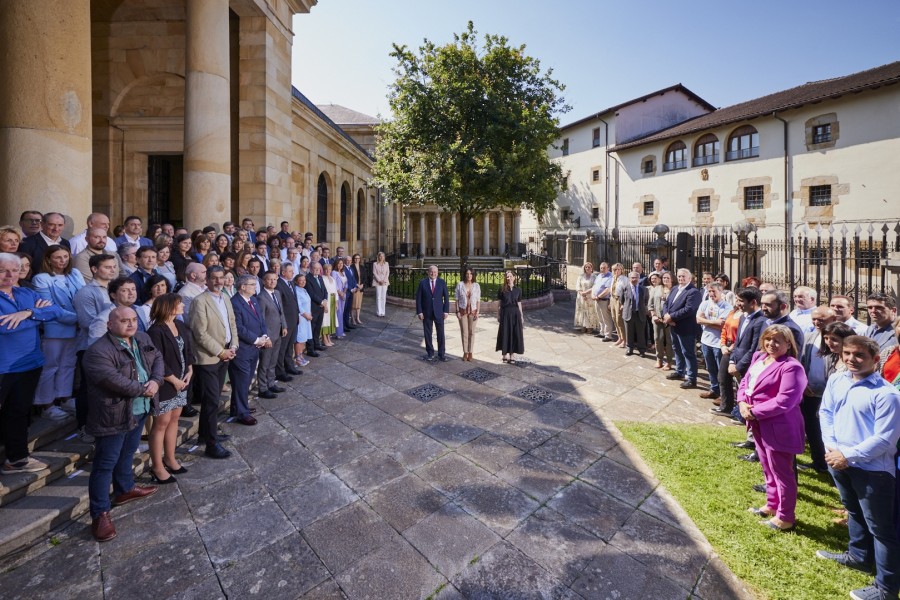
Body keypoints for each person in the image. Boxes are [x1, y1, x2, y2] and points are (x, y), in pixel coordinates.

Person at [817, 335, 900, 600]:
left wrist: (847, 456)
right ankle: (858, 556)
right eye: (847, 354)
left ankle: (886, 588)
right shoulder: (837, 380)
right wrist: (832, 447)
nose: (852, 359)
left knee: (881, 529)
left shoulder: (887, 395)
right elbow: (826, 413)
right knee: (853, 510)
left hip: (873, 470)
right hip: (837, 459)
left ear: (875, 360)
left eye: (859, 355)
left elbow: (884, 439)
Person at [83, 306, 163, 541]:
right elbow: (112, 380)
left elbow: (157, 358)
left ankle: (125, 489)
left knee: (128, 452)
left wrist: (156, 381)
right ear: (110, 324)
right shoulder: (98, 351)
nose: (131, 324)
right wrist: (144, 389)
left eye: (134, 320)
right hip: (114, 414)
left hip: (140, 408)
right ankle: (100, 514)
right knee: (105, 464)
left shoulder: (142, 338)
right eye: (124, 320)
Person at [738, 324, 808, 532]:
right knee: (767, 466)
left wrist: (754, 411)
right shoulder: (759, 357)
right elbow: (745, 383)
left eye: (777, 341)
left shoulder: (791, 367)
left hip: (779, 425)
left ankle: (785, 517)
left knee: (782, 472)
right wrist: (742, 403)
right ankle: (772, 504)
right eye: (768, 339)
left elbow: (785, 400)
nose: (771, 344)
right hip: (757, 422)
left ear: (788, 343)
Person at [0, 253, 61, 474]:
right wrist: (36, 316)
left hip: (29, 363)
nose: (9, 275)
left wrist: (28, 313)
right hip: (3, 367)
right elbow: (5, 327)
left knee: (18, 413)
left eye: (14, 270)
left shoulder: (25, 293)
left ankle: (16, 460)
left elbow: (56, 311)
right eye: (3, 270)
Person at [188, 266, 238, 458]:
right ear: (207, 280)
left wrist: (234, 346)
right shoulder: (199, 301)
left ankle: (205, 434)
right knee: (211, 400)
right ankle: (211, 444)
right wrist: (220, 351)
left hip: (226, 352)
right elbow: (199, 333)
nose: (218, 281)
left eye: (221, 278)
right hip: (209, 357)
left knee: (214, 397)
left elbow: (231, 323)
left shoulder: (225, 297)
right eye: (214, 278)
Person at [31, 245, 84, 420]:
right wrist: (78, 318)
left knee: (68, 365)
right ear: (48, 259)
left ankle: (65, 397)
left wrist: (81, 318)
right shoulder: (41, 279)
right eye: (58, 257)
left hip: (76, 329)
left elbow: (83, 297)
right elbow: (50, 308)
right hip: (55, 329)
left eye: (65, 256)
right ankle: (47, 404)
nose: (63, 260)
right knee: (50, 367)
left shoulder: (74, 273)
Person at [146, 294, 193, 483]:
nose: (182, 306)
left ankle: (170, 458)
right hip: (165, 383)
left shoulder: (179, 325)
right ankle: (157, 467)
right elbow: (156, 359)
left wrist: (190, 369)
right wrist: (173, 380)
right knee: (161, 423)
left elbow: (187, 350)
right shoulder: (155, 331)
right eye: (178, 303)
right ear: (167, 306)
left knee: (174, 419)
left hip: (182, 380)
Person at [799, 307, 839, 472]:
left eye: (821, 320)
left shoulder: (838, 339)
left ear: (833, 319)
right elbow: (802, 361)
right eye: (814, 319)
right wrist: (803, 383)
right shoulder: (810, 336)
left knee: (827, 431)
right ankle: (818, 462)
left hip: (829, 394)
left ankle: (831, 466)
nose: (816, 323)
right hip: (810, 392)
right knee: (812, 429)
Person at [229, 274, 268, 418]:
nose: (255, 287)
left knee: (246, 380)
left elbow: (261, 320)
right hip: (243, 349)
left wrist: (264, 336)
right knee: (241, 381)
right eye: (252, 284)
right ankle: (242, 413)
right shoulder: (235, 303)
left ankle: (238, 407)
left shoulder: (253, 300)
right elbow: (238, 327)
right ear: (243, 287)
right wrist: (256, 340)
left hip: (254, 347)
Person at [663, 268, 703, 389]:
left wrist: (671, 317)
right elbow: (666, 303)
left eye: (683, 276)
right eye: (679, 276)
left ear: (689, 278)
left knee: (688, 352)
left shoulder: (693, 292)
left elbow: (689, 309)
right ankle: (680, 371)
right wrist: (666, 315)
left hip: (686, 328)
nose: (681, 278)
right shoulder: (675, 288)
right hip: (673, 326)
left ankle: (691, 378)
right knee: (677, 350)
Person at [696, 282, 732, 400]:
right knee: (710, 368)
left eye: (714, 291)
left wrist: (706, 321)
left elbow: (722, 325)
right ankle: (714, 389)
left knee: (721, 371)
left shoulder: (727, 307)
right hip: (706, 341)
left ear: (721, 291)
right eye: (709, 291)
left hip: (718, 343)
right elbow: (698, 320)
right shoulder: (705, 303)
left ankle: (723, 394)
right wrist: (713, 322)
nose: (711, 294)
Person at [256, 271, 287, 400]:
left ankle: (271, 383)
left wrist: (284, 325)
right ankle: (263, 388)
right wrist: (266, 337)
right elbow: (261, 319)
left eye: (274, 279)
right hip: (268, 335)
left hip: (278, 332)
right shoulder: (261, 297)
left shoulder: (277, 293)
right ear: (264, 281)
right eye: (270, 279)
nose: (273, 281)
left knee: (273, 360)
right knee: (265, 362)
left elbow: (281, 311)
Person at [416, 265, 450, 362]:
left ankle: (441, 354)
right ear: (428, 272)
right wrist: (419, 312)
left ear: (437, 273)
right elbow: (418, 299)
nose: (433, 273)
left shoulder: (442, 282)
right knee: (427, 334)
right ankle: (430, 353)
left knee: (441, 334)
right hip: (426, 312)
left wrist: (446, 311)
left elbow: (446, 298)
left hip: (439, 312)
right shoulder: (422, 283)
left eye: (435, 272)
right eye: (431, 271)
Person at [275, 262, 302, 380]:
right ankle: (280, 372)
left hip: (294, 320)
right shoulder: (279, 285)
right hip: (286, 321)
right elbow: (279, 306)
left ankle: (289, 366)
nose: (293, 273)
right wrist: (283, 324)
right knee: (282, 348)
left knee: (289, 346)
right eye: (290, 271)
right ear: (283, 272)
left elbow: (294, 301)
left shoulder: (290, 283)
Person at [496, 270, 525, 364]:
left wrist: (521, 316)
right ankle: (504, 354)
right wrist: (498, 315)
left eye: (510, 276)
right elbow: (499, 304)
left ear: (514, 277)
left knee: (514, 334)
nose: (509, 278)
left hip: (515, 314)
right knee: (505, 333)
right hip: (505, 314)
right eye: (507, 277)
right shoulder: (502, 289)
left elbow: (519, 303)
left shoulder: (518, 290)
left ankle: (512, 354)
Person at [649, 271, 674, 369]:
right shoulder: (657, 288)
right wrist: (653, 315)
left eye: (668, 278)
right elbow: (650, 304)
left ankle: (669, 361)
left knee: (669, 341)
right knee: (658, 339)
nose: (665, 280)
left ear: (672, 279)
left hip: (670, 321)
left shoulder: (675, 289)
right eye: (664, 278)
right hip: (658, 320)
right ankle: (659, 359)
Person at [621, 270, 649, 356]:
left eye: (636, 277)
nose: (634, 279)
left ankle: (642, 350)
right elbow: (622, 300)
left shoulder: (644, 289)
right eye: (632, 278)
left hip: (639, 313)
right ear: (629, 278)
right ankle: (629, 348)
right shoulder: (625, 288)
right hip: (628, 313)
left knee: (641, 333)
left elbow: (646, 300)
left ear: (639, 278)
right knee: (629, 332)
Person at [456, 267, 481, 361]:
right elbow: (457, 299)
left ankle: (470, 352)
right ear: (465, 274)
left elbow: (478, 300)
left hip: (473, 312)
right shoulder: (460, 285)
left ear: (473, 275)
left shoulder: (476, 286)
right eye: (467, 273)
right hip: (463, 312)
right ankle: (465, 352)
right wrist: (457, 311)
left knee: (472, 332)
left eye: (470, 274)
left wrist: (478, 312)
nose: (469, 275)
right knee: (464, 332)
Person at [304, 262, 328, 356]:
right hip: (313, 307)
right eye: (315, 268)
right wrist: (321, 302)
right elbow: (311, 293)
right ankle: (310, 349)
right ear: (310, 268)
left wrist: (325, 300)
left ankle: (317, 344)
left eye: (318, 268)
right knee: (312, 328)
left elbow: (324, 290)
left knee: (318, 327)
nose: (317, 270)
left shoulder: (320, 277)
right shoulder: (307, 278)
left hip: (321, 307)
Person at [292, 273, 313, 367]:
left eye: (304, 280)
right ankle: (298, 358)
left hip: (307, 317)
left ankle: (301, 356)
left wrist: (309, 313)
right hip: (301, 317)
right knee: (299, 339)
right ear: (296, 281)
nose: (303, 282)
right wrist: (306, 315)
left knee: (304, 337)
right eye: (301, 280)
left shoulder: (304, 290)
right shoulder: (296, 290)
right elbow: (299, 305)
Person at [591, 262, 615, 341]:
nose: (602, 269)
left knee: (606, 318)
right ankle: (602, 332)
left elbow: (607, 290)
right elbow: (594, 286)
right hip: (597, 299)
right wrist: (593, 295)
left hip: (604, 300)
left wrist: (598, 296)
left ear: (608, 268)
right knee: (600, 317)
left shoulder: (610, 277)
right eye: (601, 268)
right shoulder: (599, 276)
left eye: (604, 268)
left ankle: (608, 335)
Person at [574, 263, 598, 333]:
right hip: (581, 296)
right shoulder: (581, 276)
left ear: (591, 268)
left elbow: (595, 286)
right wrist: (581, 293)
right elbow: (578, 285)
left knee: (590, 311)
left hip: (590, 296)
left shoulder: (594, 277)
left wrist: (586, 293)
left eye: (589, 267)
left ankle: (590, 327)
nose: (587, 268)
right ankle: (583, 326)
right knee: (582, 311)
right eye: (586, 267)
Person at [609, 263, 628, 348]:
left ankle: (624, 340)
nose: (617, 271)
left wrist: (623, 303)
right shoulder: (613, 278)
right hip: (613, 299)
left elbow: (626, 292)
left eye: (619, 269)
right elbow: (611, 290)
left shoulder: (624, 279)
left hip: (619, 300)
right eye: (615, 269)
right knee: (614, 319)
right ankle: (620, 337)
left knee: (619, 320)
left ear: (622, 270)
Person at [321, 263, 338, 346]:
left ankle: (328, 337)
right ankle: (324, 339)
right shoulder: (322, 278)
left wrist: (336, 301)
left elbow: (335, 290)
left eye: (329, 269)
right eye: (326, 269)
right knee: (325, 320)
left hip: (333, 299)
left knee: (331, 319)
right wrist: (324, 303)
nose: (328, 271)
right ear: (323, 270)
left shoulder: (332, 278)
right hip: (327, 300)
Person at [342, 257, 358, 333]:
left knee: (348, 309)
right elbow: (345, 281)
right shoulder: (343, 269)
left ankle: (347, 324)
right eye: (347, 260)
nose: (348, 262)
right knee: (344, 309)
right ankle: (343, 326)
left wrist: (355, 287)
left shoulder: (351, 268)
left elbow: (353, 279)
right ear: (345, 261)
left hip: (352, 292)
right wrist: (350, 289)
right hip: (347, 291)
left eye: (350, 260)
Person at [349, 254, 366, 325]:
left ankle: (358, 318)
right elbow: (351, 278)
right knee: (353, 304)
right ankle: (353, 319)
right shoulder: (351, 267)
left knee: (359, 304)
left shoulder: (362, 267)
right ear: (353, 259)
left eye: (358, 258)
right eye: (355, 258)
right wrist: (357, 285)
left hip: (360, 288)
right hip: (355, 288)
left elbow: (364, 277)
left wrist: (362, 285)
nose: (357, 259)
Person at [372, 252, 390, 318]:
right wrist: (379, 280)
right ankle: (379, 312)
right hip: (378, 282)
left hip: (385, 282)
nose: (381, 257)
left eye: (383, 256)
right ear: (378, 257)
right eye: (380, 256)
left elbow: (387, 273)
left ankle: (383, 312)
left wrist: (384, 280)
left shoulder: (386, 263)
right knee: (378, 297)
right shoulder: (375, 264)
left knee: (383, 297)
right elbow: (374, 273)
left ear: (384, 257)